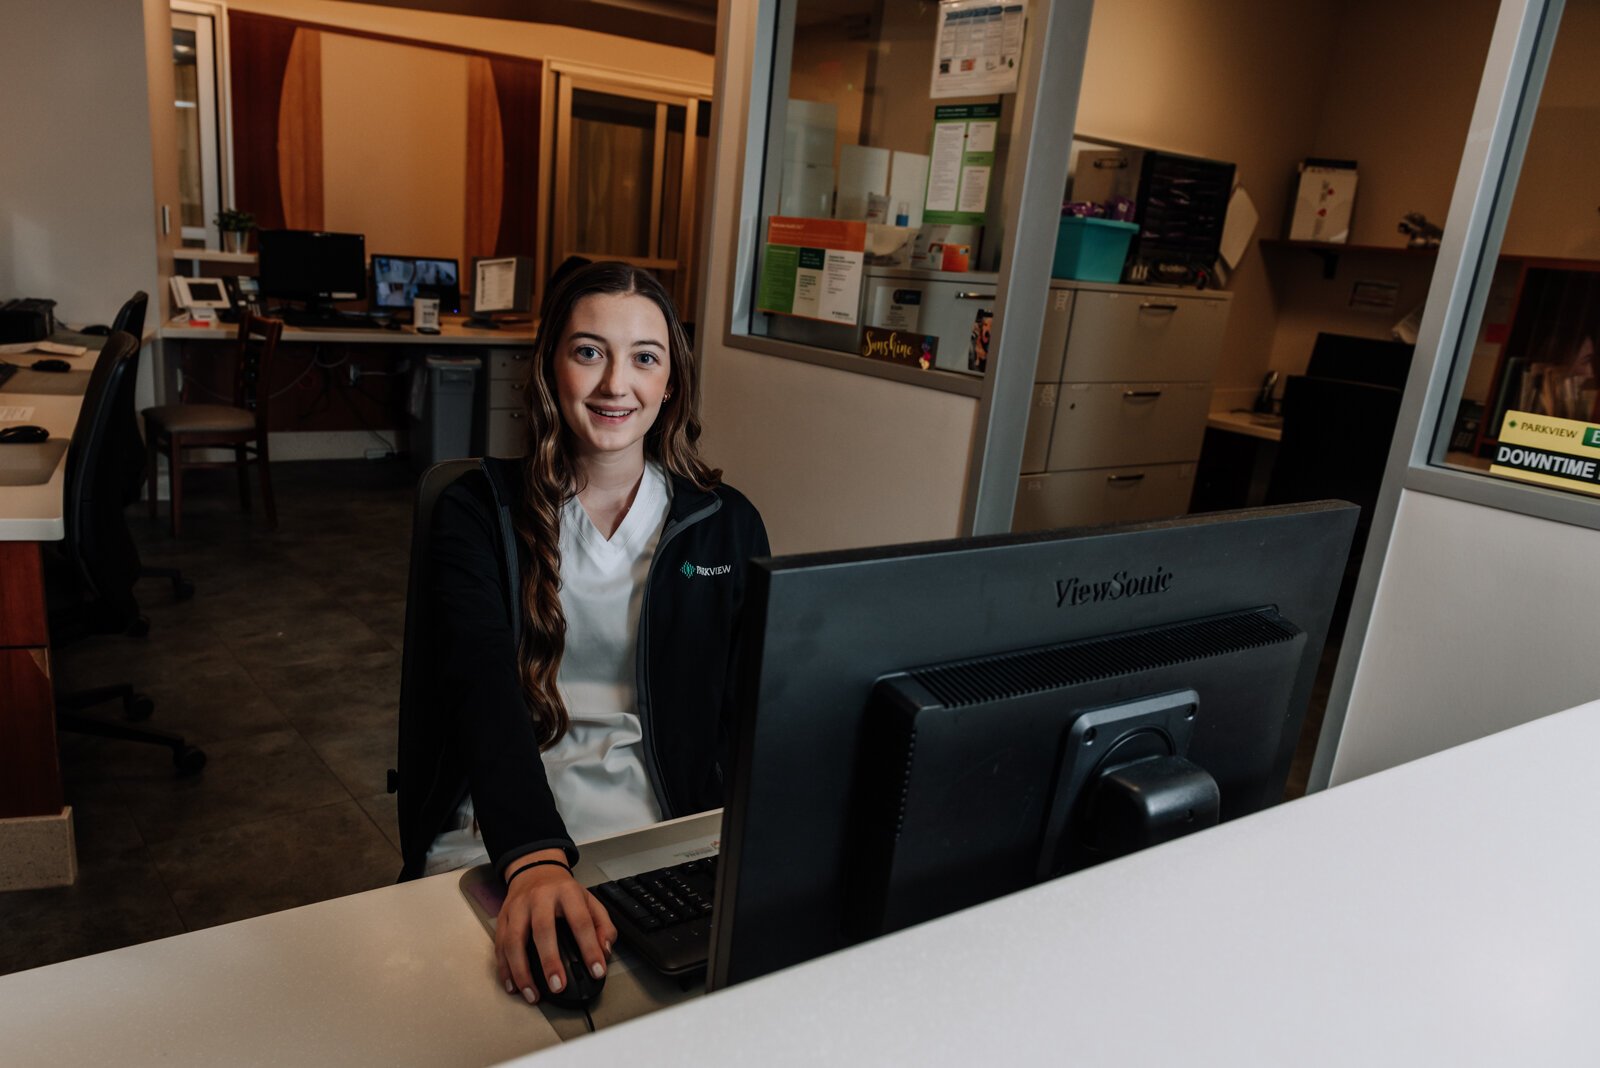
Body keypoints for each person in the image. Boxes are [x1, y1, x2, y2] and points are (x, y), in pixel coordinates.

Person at [417, 262, 768, 1008]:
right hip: (504, 821)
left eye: (645, 357)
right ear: (550, 365)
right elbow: (479, 686)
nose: (617, 384)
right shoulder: (477, 511)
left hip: (662, 822)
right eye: (588, 351)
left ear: (671, 381)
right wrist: (534, 859)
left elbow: (749, 706)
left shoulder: (725, 522)